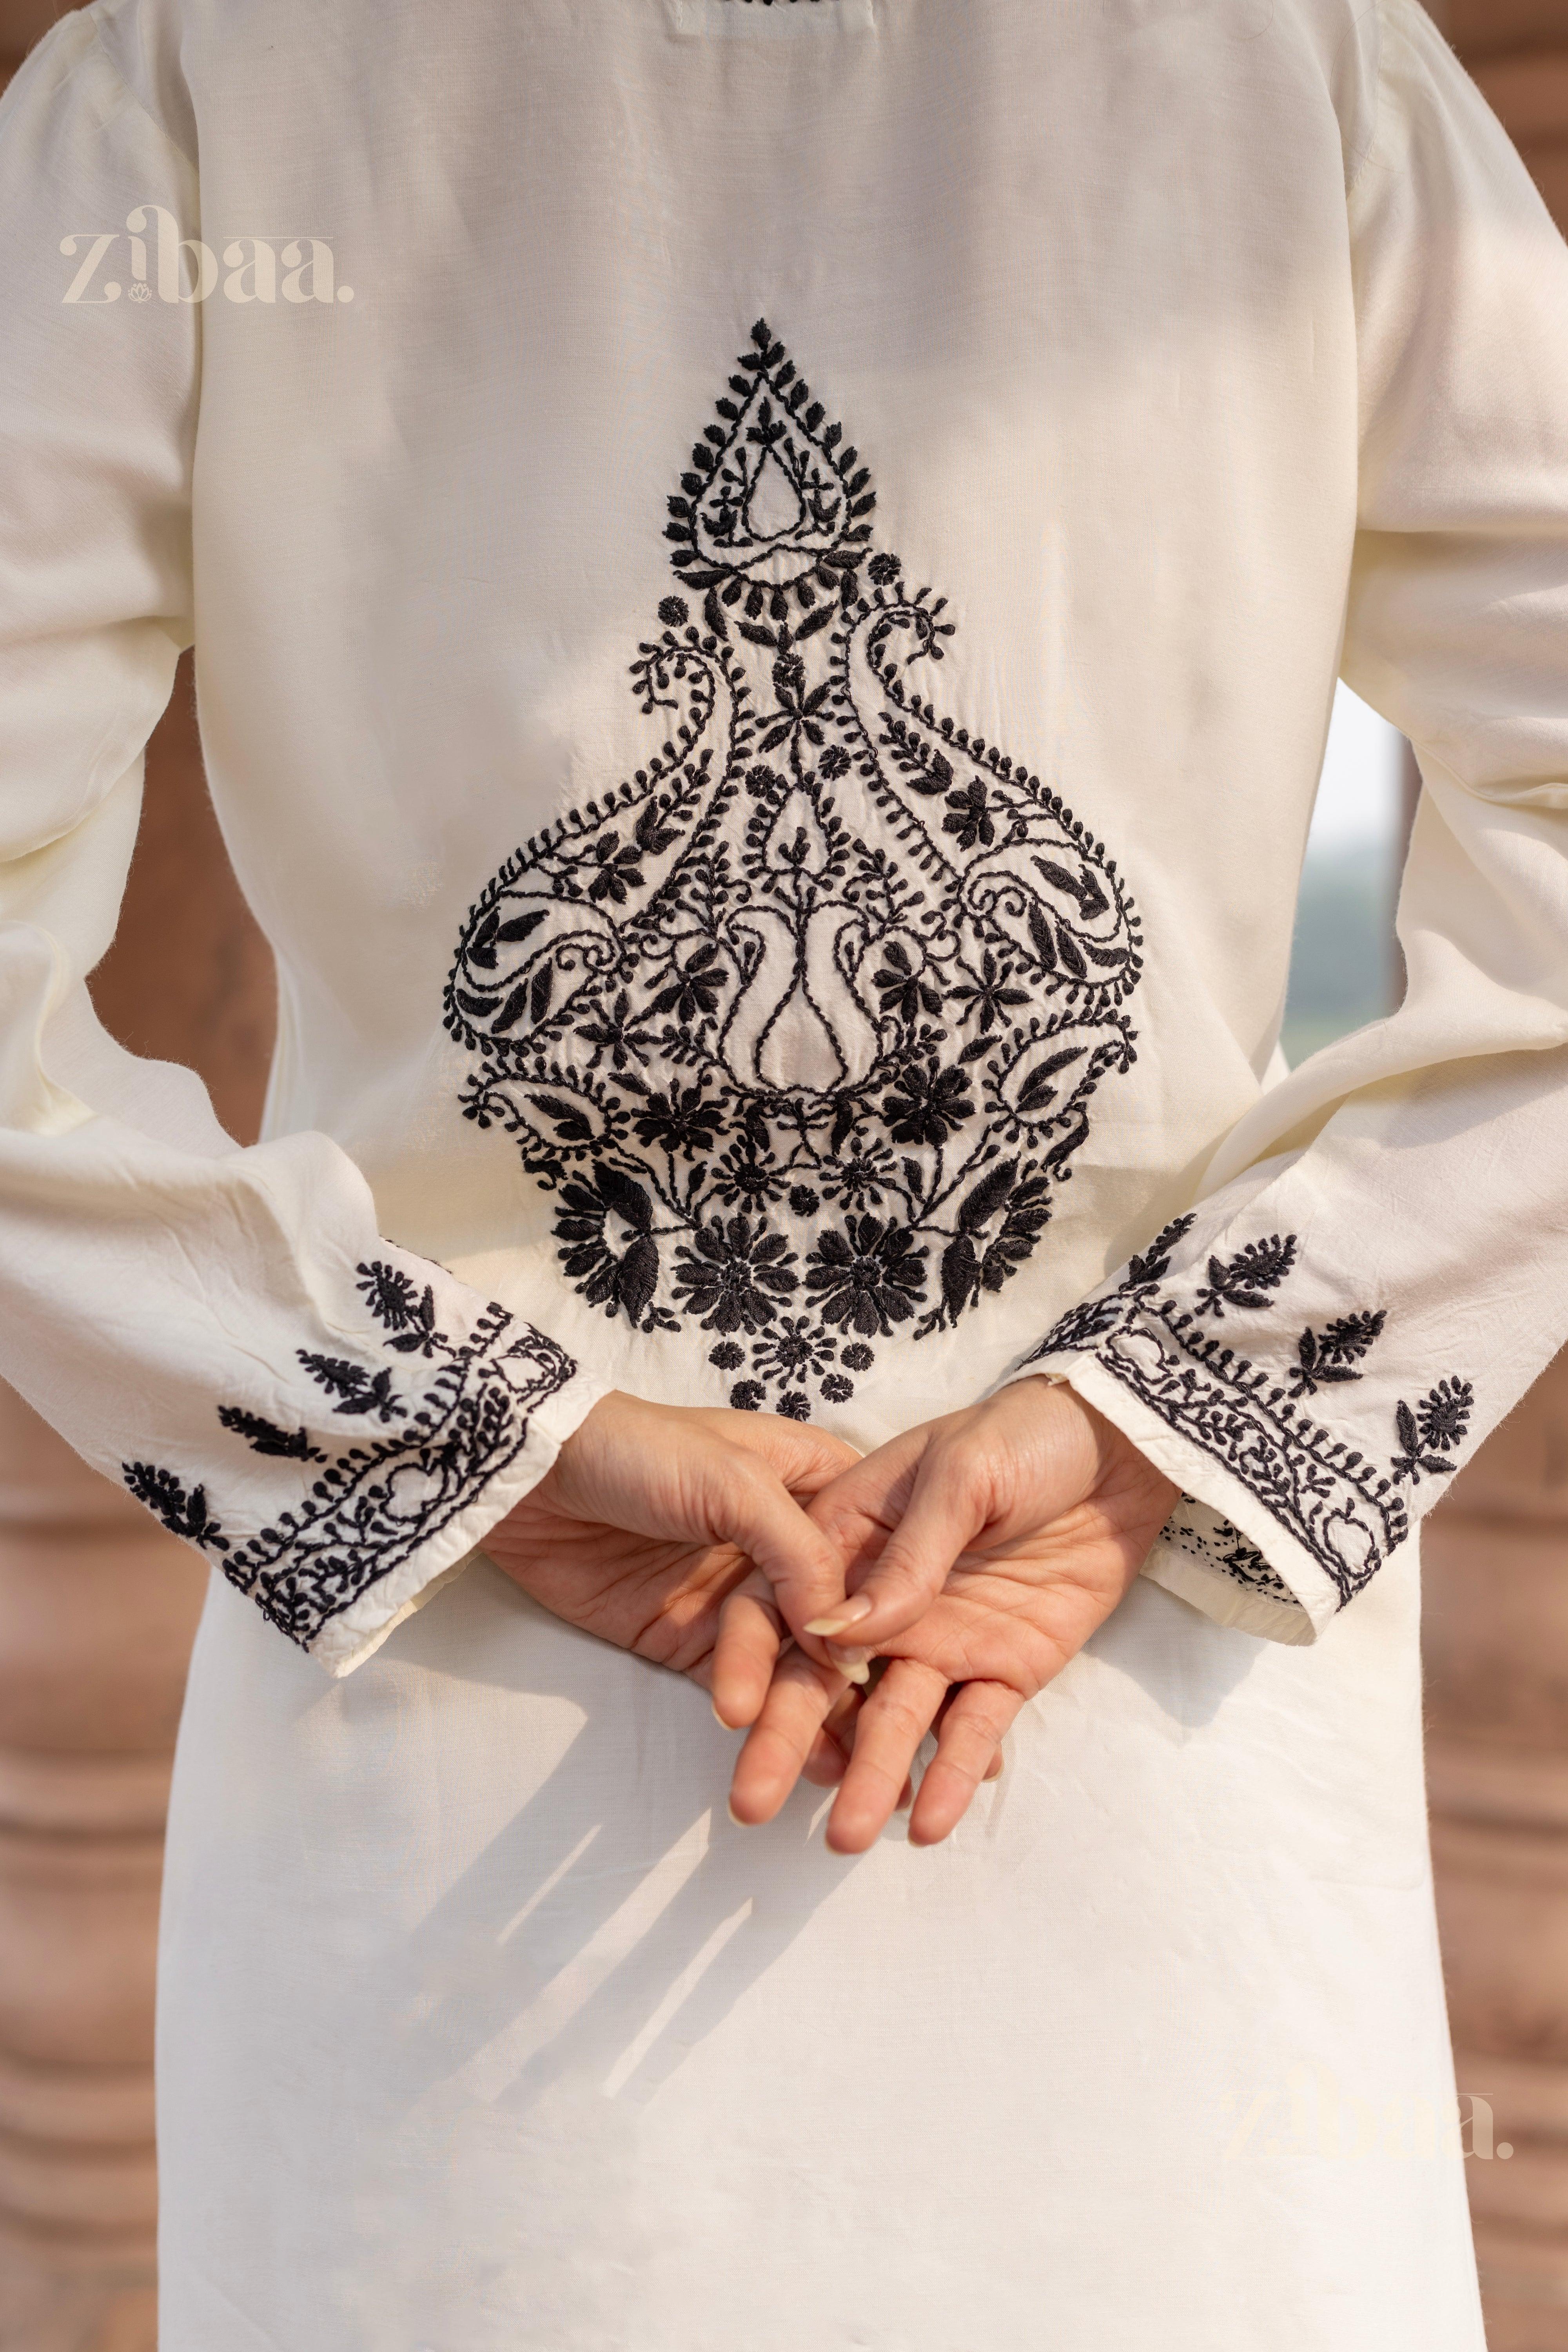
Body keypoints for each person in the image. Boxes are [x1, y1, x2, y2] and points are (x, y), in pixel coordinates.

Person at [0, 0, 1563, 2340]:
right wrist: (1170, 1425)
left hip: (470, 1716)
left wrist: (437, 1440)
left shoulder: (204, 69)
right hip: (1109, 1641)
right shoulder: (1289, 55)